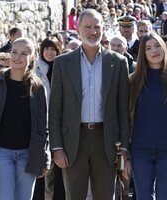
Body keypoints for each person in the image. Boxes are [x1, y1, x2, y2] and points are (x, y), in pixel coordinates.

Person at [49, 9, 130, 200]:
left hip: (107, 141)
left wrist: (124, 148)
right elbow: (55, 109)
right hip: (73, 141)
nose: (93, 32)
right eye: (88, 27)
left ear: (103, 29)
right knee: (74, 196)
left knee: (104, 195)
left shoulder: (118, 62)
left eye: (97, 27)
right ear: (77, 29)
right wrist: (57, 147)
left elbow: (123, 110)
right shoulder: (62, 63)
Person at [0, 37, 50, 200]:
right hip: (0, 153)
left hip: (28, 154)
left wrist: (45, 157)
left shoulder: (38, 87)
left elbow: (43, 126)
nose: (17, 57)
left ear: (32, 57)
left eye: (23, 53)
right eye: (14, 52)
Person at [129, 32, 167, 200]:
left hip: (166, 149)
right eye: (148, 48)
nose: (154, 51)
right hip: (140, 150)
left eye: (157, 45)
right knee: (143, 197)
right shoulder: (133, 81)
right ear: (143, 53)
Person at [33, 36, 64, 200]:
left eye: (53, 49)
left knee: (58, 169)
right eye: (47, 49)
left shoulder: (63, 68)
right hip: (41, 122)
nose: (50, 52)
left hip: (59, 123)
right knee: (41, 168)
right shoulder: (35, 69)